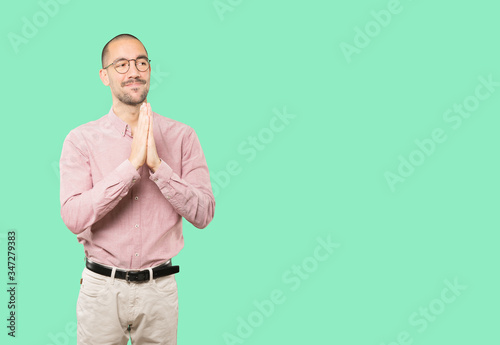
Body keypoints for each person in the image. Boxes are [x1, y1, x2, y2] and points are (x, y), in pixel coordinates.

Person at [59, 33, 215, 345]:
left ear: (149, 70)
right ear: (104, 76)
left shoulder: (183, 136)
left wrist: (158, 167)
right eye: (122, 64)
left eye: (141, 62)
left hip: (160, 290)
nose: (134, 71)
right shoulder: (80, 140)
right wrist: (131, 167)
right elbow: (74, 217)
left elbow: (204, 213)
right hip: (101, 290)